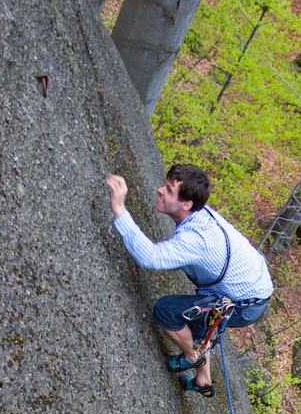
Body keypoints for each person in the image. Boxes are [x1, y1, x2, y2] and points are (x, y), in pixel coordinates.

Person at [106, 164, 273, 398]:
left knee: (167, 312)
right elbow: (183, 250)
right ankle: (203, 380)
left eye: (169, 190)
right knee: (196, 321)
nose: (159, 190)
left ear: (186, 204)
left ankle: (192, 356)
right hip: (254, 286)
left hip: (244, 304)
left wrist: (119, 208)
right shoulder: (200, 216)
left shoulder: (197, 238)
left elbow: (150, 257)